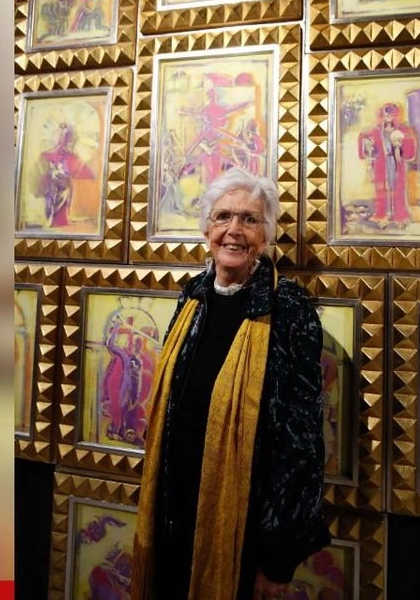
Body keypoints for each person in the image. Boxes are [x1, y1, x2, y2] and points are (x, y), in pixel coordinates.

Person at [131, 169, 330, 600]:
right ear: (207, 229)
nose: (234, 230)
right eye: (223, 216)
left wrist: (277, 557)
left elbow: (301, 442)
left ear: (266, 235)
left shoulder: (287, 309)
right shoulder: (194, 296)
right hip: (174, 505)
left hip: (243, 526)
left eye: (249, 219)